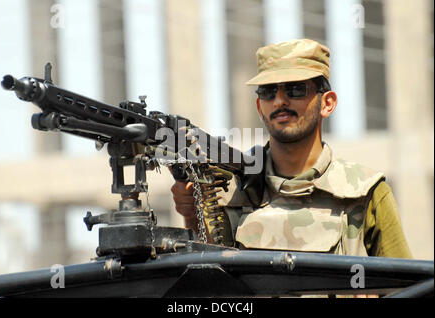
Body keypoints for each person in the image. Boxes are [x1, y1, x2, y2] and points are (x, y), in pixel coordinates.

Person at [171, 38, 412, 259]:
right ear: (259, 106)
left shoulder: (365, 192)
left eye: (295, 89)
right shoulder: (228, 190)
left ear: (327, 103)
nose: (279, 101)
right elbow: (210, 287)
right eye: (268, 92)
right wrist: (192, 214)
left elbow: (405, 286)